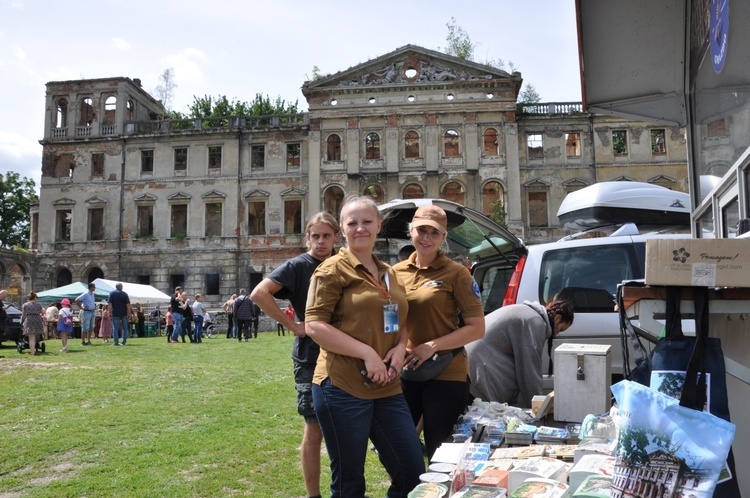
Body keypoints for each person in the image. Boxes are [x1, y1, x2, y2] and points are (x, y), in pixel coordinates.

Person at [306, 197, 424, 498]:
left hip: (387, 386)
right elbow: (315, 326)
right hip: (342, 386)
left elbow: (400, 321)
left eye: (367, 222)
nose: (360, 228)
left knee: (413, 473)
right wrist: (368, 354)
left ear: (378, 226)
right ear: (343, 231)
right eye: (352, 223)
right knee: (349, 483)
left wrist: (399, 348)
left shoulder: (389, 272)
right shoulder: (331, 270)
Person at [250, 211, 339, 498]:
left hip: (346, 354)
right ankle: (313, 495)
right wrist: (292, 325)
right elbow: (259, 293)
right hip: (310, 357)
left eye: (326, 236)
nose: (321, 242)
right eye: (315, 236)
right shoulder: (298, 265)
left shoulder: (345, 263)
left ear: (336, 237)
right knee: (314, 429)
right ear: (307, 239)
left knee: (348, 427)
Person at [393, 205, 486, 460]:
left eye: (434, 233)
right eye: (421, 230)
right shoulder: (394, 273)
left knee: (440, 451)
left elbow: (477, 328)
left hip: (447, 371)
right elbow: (390, 317)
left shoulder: (456, 273)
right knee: (396, 446)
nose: (426, 238)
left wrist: (431, 346)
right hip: (406, 369)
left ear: (443, 238)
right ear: (410, 232)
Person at [466, 300, 574, 408]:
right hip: (479, 372)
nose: (555, 335)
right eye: (560, 329)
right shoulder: (535, 323)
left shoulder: (527, 313)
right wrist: (538, 409)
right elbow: (529, 372)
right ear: (557, 318)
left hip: (468, 365)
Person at [21, 291, 45, 355]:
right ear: (35, 298)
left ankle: (32, 352)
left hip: (29, 319)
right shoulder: (39, 305)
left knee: (31, 337)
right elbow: (43, 313)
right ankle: (35, 347)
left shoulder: (25, 305)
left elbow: (23, 314)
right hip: (37, 319)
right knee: (36, 335)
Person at [75, 282, 97, 346]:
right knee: (85, 327)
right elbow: (77, 300)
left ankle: (88, 340)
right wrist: (81, 307)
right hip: (87, 312)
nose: (95, 288)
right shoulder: (86, 293)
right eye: (94, 287)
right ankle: (83, 342)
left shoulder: (92, 294)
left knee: (91, 327)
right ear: (91, 287)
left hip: (92, 311)